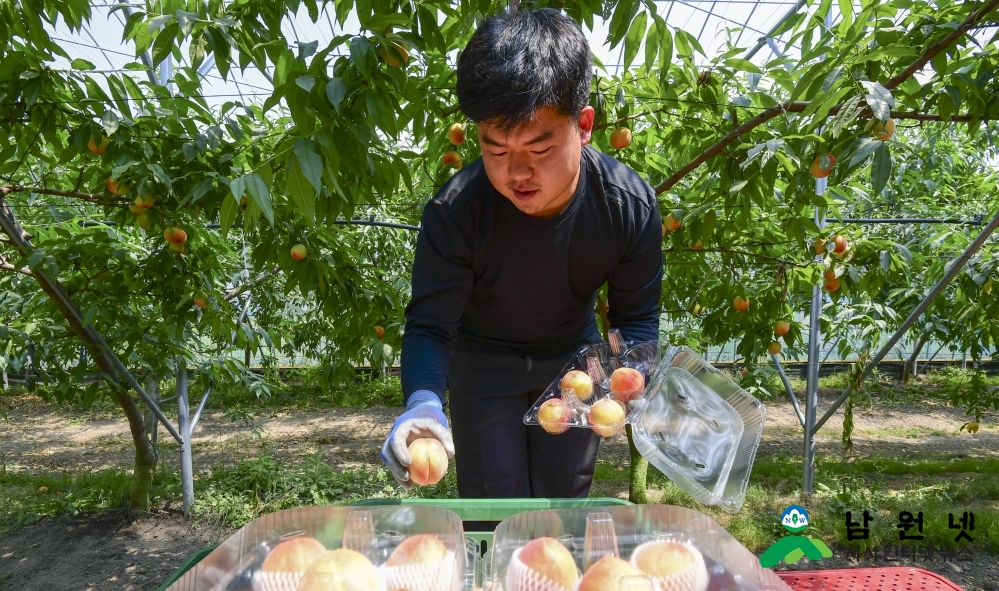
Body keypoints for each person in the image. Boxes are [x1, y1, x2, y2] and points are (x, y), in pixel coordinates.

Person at [380, 8, 663, 498]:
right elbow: (430, 325)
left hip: (574, 365)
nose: (517, 173)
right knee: (495, 505)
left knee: (563, 501)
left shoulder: (627, 206)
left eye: (539, 149)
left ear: (585, 125)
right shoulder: (456, 213)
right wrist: (423, 401)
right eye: (496, 149)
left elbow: (636, 320)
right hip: (483, 365)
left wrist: (631, 377)